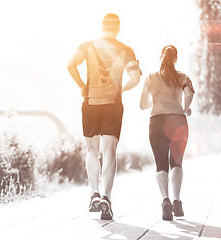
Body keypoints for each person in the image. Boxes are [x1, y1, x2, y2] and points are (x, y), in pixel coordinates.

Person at [67, 13, 141, 220]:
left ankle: (93, 194)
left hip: (91, 103)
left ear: (101, 27)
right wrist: (121, 90)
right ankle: (107, 197)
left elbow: (70, 64)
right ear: (118, 28)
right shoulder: (126, 50)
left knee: (92, 149)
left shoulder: (87, 45)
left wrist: (83, 86)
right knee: (110, 151)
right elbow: (135, 78)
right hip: (113, 105)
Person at [140, 45, 195, 221]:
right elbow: (189, 93)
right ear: (175, 59)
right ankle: (177, 203)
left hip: (156, 121)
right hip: (178, 120)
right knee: (176, 163)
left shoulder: (151, 77)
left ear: (160, 57)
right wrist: (185, 108)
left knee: (161, 164)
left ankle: (166, 202)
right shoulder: (182, 76)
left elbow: (142, 104)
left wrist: (156, 102)